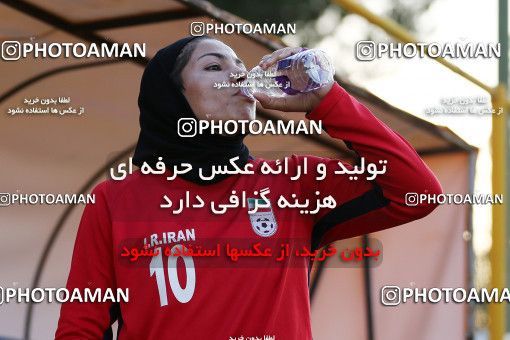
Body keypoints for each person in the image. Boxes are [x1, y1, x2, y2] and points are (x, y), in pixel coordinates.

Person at [55, 36, 442, 339]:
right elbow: (82, 329)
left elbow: (418, 192)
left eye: (241, 67)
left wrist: (327, 101)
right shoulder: (115, 199)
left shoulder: (293, 183)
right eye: (214, 67)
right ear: (171, 97)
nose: (239, 75)